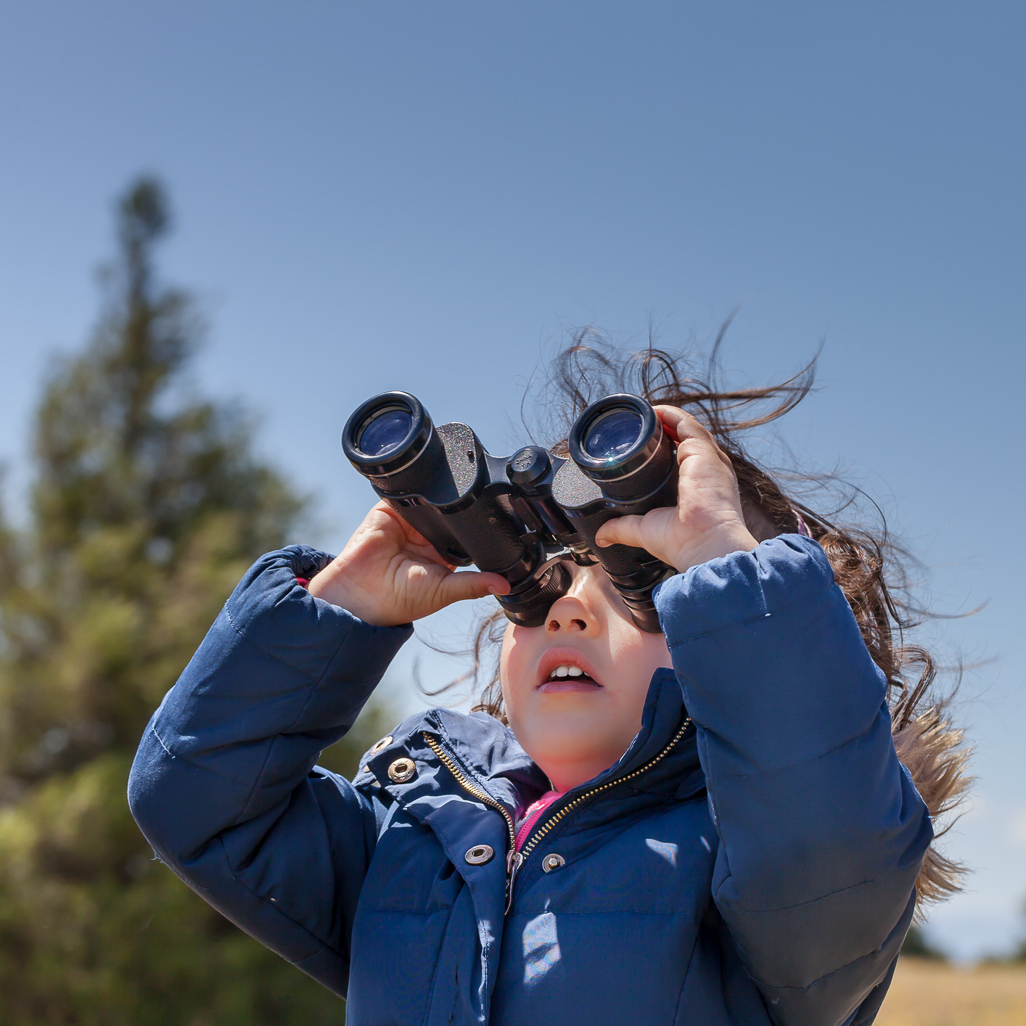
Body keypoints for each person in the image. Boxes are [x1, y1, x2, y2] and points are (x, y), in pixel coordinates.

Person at [128, 339, 967, 1026]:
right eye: (545, 587)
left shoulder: (750, 868)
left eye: (642, 595)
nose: (569, 613)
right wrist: (339, 607)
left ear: (731, 652)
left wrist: (724, 562)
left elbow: (822, 832)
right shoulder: (413, 842)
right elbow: (195, 799)